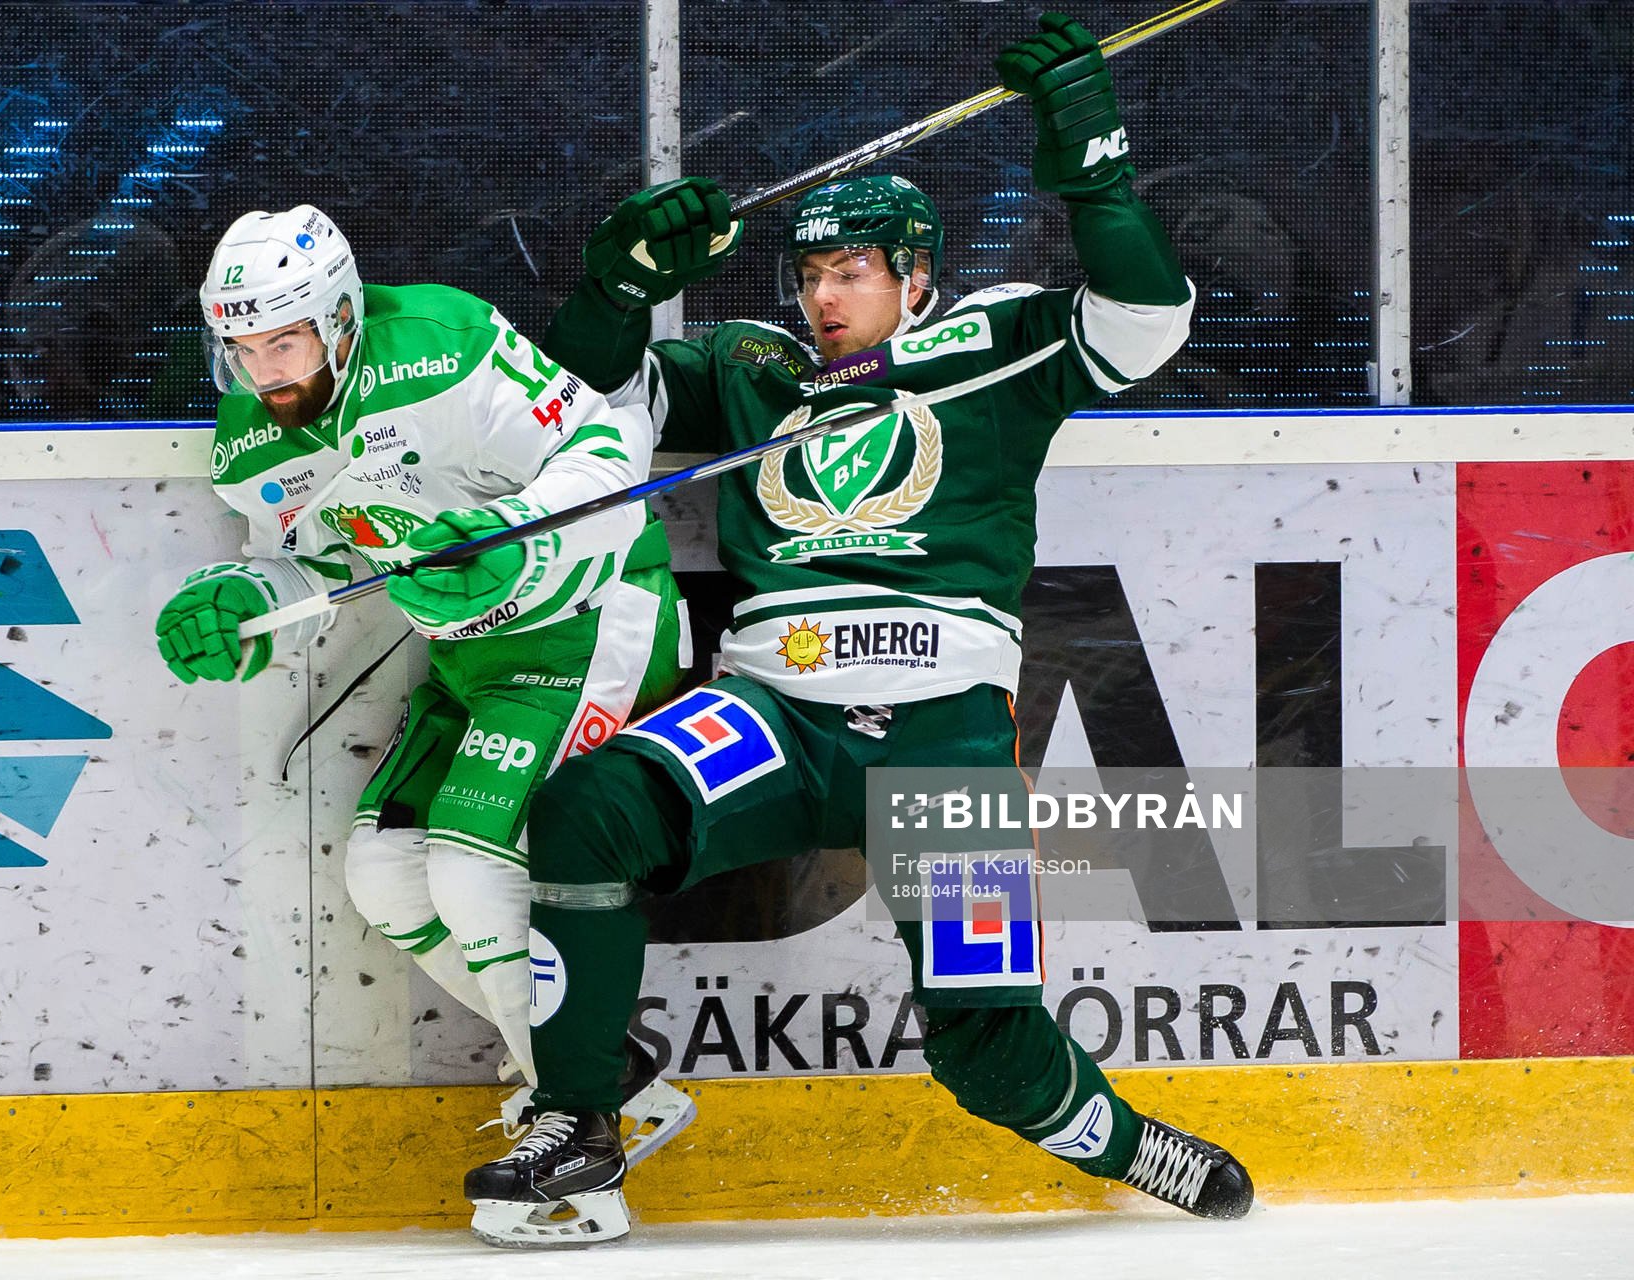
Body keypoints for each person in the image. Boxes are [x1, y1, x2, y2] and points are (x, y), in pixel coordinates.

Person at [463, 13, 1252, 1248]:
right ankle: (577, 1118)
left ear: (915, 272)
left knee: (987, 1046)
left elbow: (1145, 319)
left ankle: (1124, 1138)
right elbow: (573, 405)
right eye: (810, 277)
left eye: (852, 273)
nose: (825, 297)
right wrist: (616, 284)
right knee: (586, 811)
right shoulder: (749, 365)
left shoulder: (996, 340)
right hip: (771, 714)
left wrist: (1092, 162)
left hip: (943, 739)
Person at [153, 203, 695, 1161]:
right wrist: (242, 597)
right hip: (469, 660)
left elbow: (610, 450)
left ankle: (578, 1116)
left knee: (472, 867)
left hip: (591, 615)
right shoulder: (250, 438)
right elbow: (311, 565)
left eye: (286, 341)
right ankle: (596, 1073)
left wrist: (512, 539)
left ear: (344, 318)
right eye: (242, 347)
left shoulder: (445, 348)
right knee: (387, 876)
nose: (265, 370)